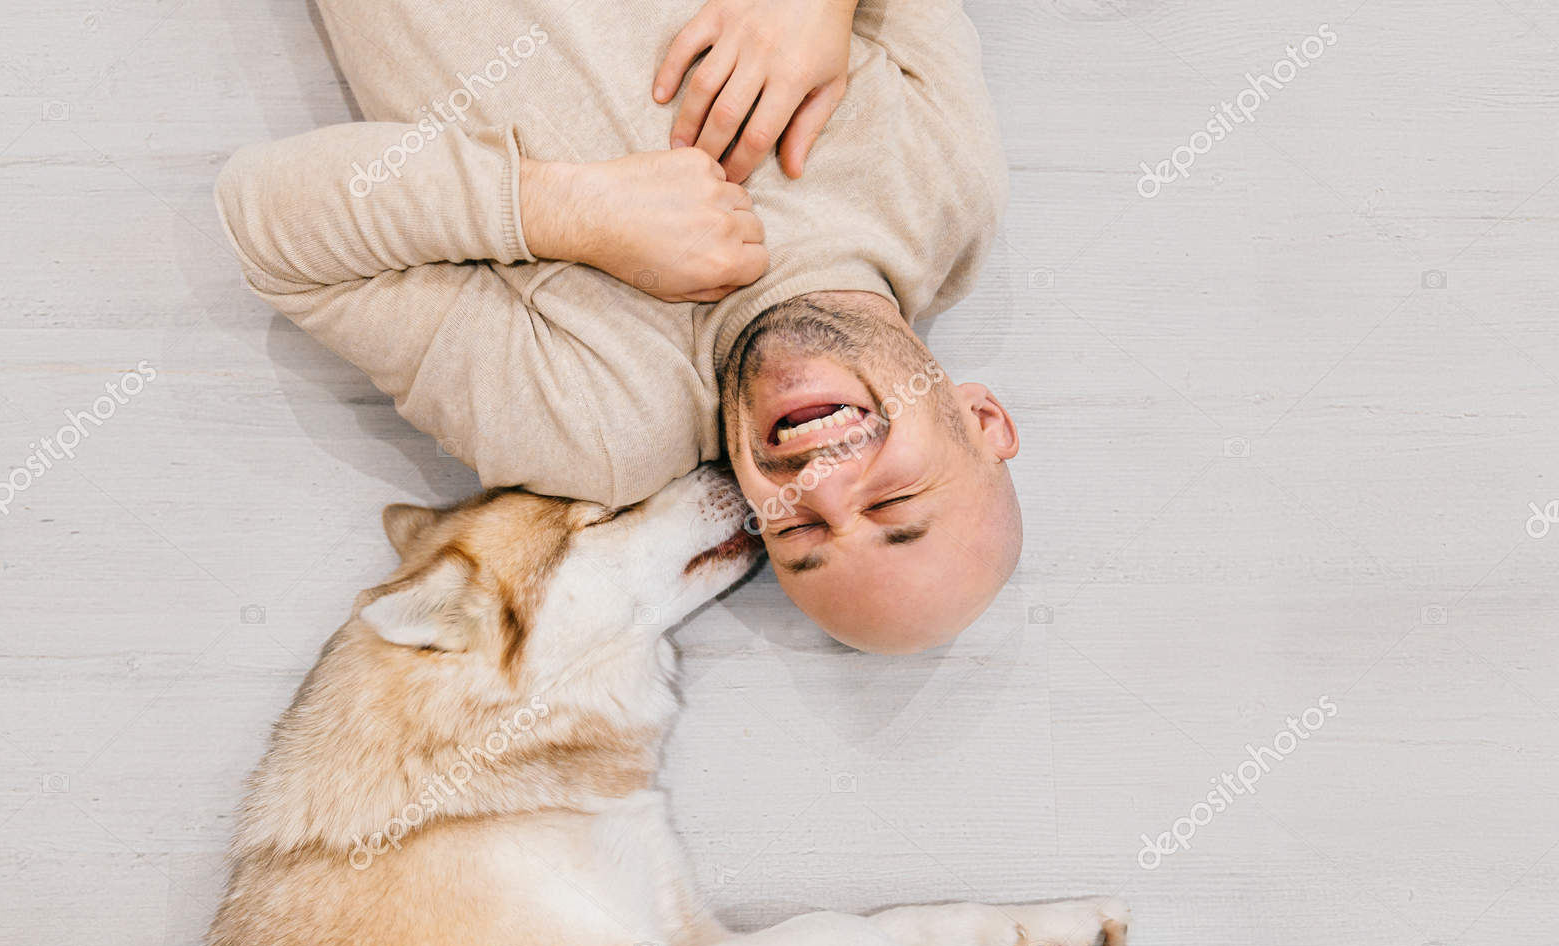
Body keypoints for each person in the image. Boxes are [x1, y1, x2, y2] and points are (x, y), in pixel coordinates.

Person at [216, 0, 1019, 652]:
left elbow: (268, 229)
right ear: (983, 421)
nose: (823, 480)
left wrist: (564, 212)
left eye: (800, 529)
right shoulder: (947, 192)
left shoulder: (596, 424)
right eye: (893, 503)